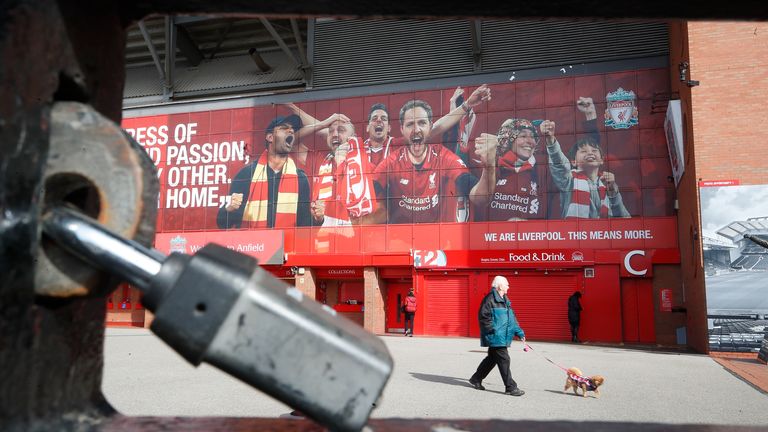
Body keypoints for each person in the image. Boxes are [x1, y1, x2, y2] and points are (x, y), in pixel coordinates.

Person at [368, 98, 488, 224]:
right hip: (388, 212)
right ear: (367, 126)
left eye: (383, 118)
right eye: (374, 118)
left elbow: (437, 127)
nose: (379, 121)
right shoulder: (358, 151)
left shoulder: (396, 143)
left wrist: (465, 106)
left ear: (390, 127)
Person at [217, 115, 312, 229]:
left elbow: (304, 225)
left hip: (287, 245)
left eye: (292, 130)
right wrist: (230, 209)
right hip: (254, 245)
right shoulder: (246, 174)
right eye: (284, 128)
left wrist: (317, 219)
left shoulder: (300, 178)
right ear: (270, 137)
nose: (291, 131)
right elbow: (222, 223)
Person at [545, 97, 630, 219]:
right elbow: (559, 165)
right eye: (583, 151)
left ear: (601, 160)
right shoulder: (569, 180)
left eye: (594, 150)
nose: (590, 153)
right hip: (575, 236)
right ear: (573, 161)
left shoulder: (608, 184)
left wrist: (612, 191)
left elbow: (624, 220)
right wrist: (550, 140)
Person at [469, 118, 549, 221]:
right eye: (523, 136)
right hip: (490, 236)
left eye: (533, 137)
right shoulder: (489, 163)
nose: (530, 141)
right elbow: (479, 201)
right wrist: (489, 166)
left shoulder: (541, 171)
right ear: (508, 140)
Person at [469, 275, 526, 396]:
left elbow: (512, 319)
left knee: (492, 359)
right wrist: (492, 330)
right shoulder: (489, 299)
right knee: (504, 359)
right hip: (496, 336)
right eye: (507, 285)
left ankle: (476, 378)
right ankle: (510, 387)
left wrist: (519, 332)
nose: (508, 287)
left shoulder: (505, 299)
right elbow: (483, 316)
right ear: (500, 286)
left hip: (502, 336)